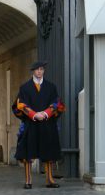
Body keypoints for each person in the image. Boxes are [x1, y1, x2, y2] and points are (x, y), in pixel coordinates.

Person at [12, 61, 65, 189]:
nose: (39, 71)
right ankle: (28, 180)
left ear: (44, 71)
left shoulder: (51, 87)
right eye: (37, 69)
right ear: (33, 71)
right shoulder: (25, 88)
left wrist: (46, 113)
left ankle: (49, 179)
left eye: (41, 69)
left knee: (49, 152)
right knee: (27, 153)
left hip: (47, 124)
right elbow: (20, 105)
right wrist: (34, 115)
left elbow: (57, 103)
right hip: (31, 124)